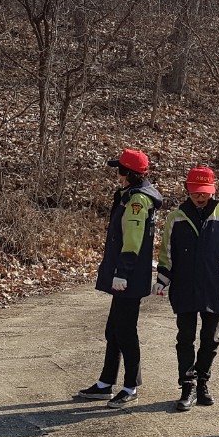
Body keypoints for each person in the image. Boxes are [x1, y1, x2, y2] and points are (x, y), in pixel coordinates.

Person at [154, 166, 219, 412]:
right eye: (196, 191)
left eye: (205, 192)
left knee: (211, 338)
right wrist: (162, 278)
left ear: (213, 190)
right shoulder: (176, 217)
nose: (200, 196)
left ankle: (203, 383)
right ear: (187, 190)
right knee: (185, 338)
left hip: (215, 285)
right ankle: (187, 385)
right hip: (184, 286)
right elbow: (167, 252)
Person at [74, 147, 163, 408]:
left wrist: (122, 272)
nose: (118, 175)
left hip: (129, 276)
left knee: (125, 331)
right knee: (114, 329)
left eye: (121, 170)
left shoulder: (137, 201)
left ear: (130, 174)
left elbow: (133, 240)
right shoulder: (129, 196)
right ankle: (105, 383)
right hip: (125, 275)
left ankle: (130, 386)